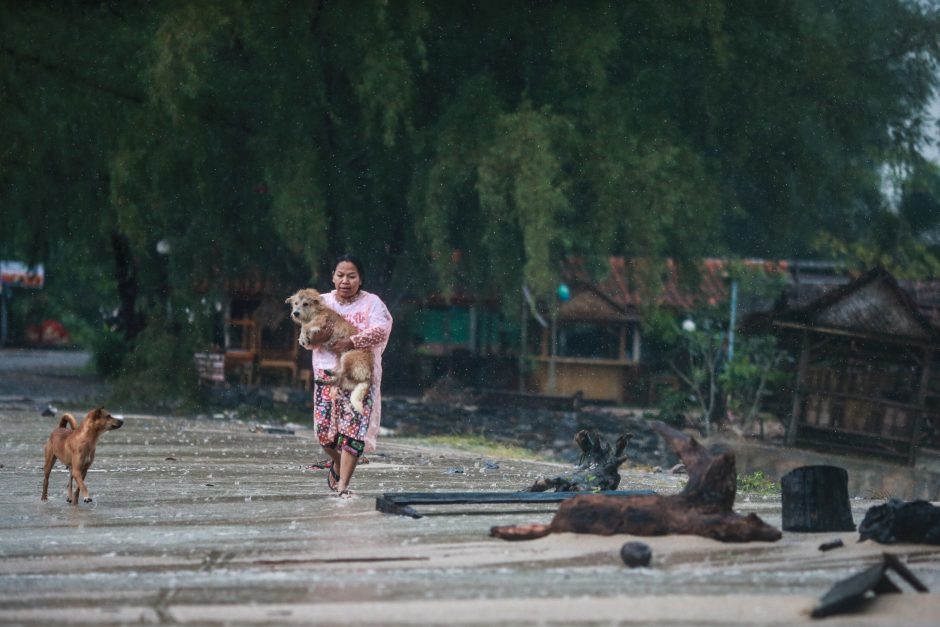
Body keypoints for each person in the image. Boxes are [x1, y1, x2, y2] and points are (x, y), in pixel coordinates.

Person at [307, 254, 393, 497]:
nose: (345, 280)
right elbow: (306, 338)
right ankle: (336, 463)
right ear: (333, 277)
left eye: (351, 276)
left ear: (360, 279)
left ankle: (343, 485)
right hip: (326, 373)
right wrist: (317, 336)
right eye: (340, 275)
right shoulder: (321, 302)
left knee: (353, 432)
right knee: (324, 434)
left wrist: (351, 341)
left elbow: (381, 329)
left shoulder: (372, 303)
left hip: (359, 375)